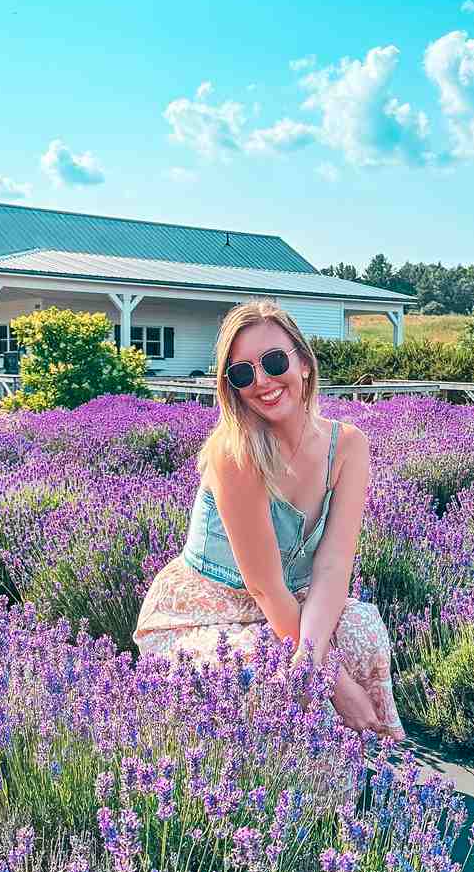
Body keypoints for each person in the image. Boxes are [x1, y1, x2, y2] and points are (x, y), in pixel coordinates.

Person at [135, 299, 404, 739]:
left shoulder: (349, 446)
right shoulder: (234, 452)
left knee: (364, 628)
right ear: (232, 387)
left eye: (274, 361)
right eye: (243, 373)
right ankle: (270, 793)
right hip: (206, 608)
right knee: (261, 672)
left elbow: (333, 566)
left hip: (292, 599)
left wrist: (315, 657)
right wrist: (331, 681)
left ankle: (361, 767)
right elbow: (265, 586)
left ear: (303, 363)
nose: (261, 381)